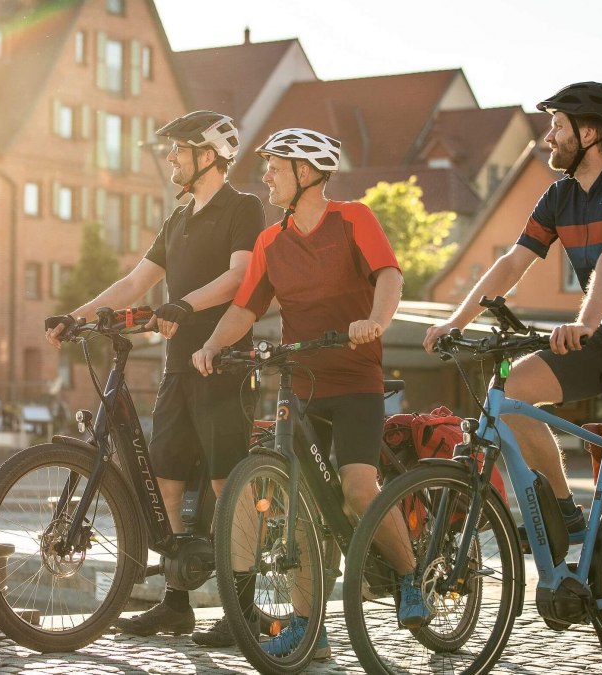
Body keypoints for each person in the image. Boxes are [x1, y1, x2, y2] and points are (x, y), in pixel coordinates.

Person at [422, 82, 602, 675]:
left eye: (558, 126)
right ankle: (563, 504)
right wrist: (454, 319)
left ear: (590, 133)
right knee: (513, 392)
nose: (548, 136)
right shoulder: (559, 196)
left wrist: (584, 320)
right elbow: (513, 261)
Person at [191, 128, 423, 659]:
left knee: (358, 488)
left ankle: (410, 576)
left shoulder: (353, 219)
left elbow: (389, 276)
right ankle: (308, 627)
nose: (266, 176)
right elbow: (245, 308)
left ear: (306, 172)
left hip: (354, 379)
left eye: (275, 167)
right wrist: (211, 346)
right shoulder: (271, 241)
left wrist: (375, 320)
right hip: (300, 384)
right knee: (298, 505)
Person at [45, 110, 265, 643]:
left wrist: (186, 304)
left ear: (208, 156)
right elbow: (135, 281)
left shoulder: (243, 208)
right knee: (165, 480)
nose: (170, 158)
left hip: (223, 362)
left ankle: (243, 609)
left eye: (178, 150)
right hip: (178, 366)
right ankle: (176, 603)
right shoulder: (180, 217)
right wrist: (76, 315)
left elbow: (240, 276)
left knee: (226, 484)